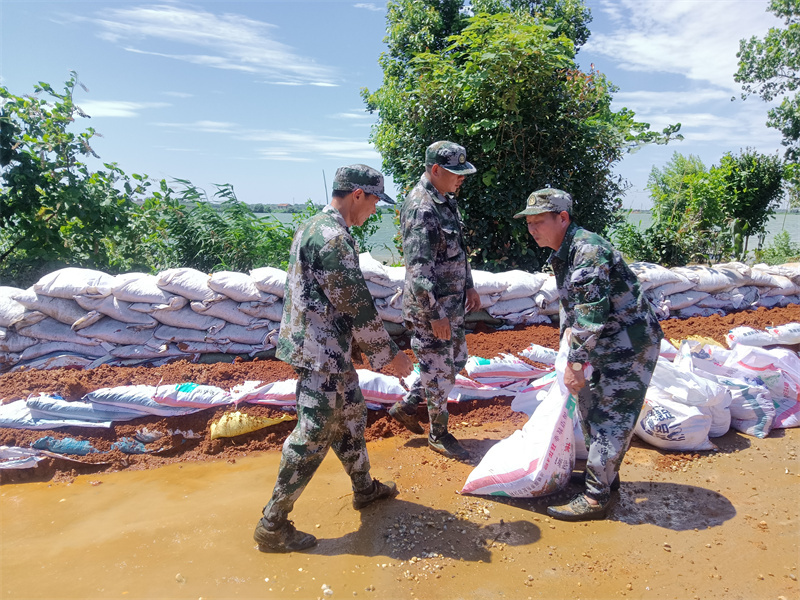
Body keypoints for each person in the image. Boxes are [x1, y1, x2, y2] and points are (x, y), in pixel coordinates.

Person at [253, 164, 414, 553]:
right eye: (375, 201)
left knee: (352, 413)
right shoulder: (332, 238)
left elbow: (323, 295)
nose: (374, 210)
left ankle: (364, 487)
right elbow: (355, 303)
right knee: (313, 434)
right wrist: (388, 356)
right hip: (319, 352)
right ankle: (272, 524)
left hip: (327, 347)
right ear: (358, 194)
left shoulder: (315, 226)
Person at [514, 188, 663, 521]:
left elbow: (592, 312)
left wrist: (576, 363)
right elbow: (575, 304)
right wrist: (569, 344)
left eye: (540, 221)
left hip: (629, 345)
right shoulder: (564, 250)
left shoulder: (587, 251)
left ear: (562, 218)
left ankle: (597, 497)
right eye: (529, 223)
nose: (533, 229)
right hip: (606, 341)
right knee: (590, 407)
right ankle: (605, 479)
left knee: (610, 417)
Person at [388, 141, 481, 460]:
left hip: (452, 305)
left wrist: (469, 285)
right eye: (456, 173)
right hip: (432, 310)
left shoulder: (445, 200)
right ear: (436, 170)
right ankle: (438, 433)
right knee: (439, 368)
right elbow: (418, 271)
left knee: (455, 361)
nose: (462, 178)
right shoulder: (421, 207)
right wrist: (436, 315)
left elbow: (459, 250)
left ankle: (408, 405)